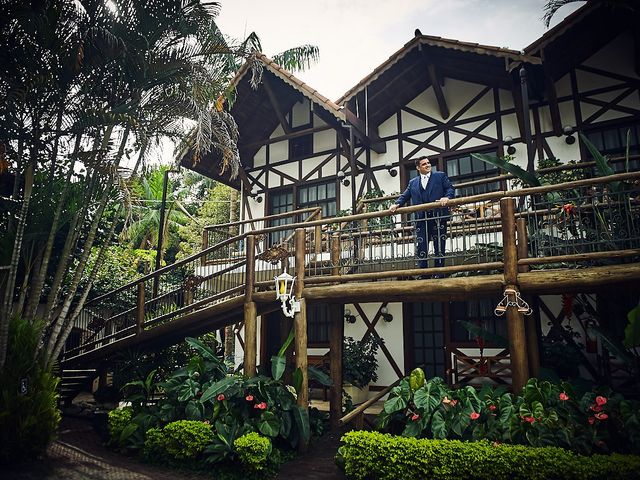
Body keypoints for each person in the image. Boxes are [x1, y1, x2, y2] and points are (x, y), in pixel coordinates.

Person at [389, 156, 455, 273]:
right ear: (418, 168)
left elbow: (450, 188)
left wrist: (447, 197)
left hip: (438, 217)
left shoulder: (440, 176)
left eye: (428, 163)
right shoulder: (413, 182)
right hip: (421, 218)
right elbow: (405, 196)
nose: (428, 165)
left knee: (439, 244)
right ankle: (423, 273)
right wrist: (396, 204)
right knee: (421, 245)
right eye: (424, 164)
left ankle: (439, 273)